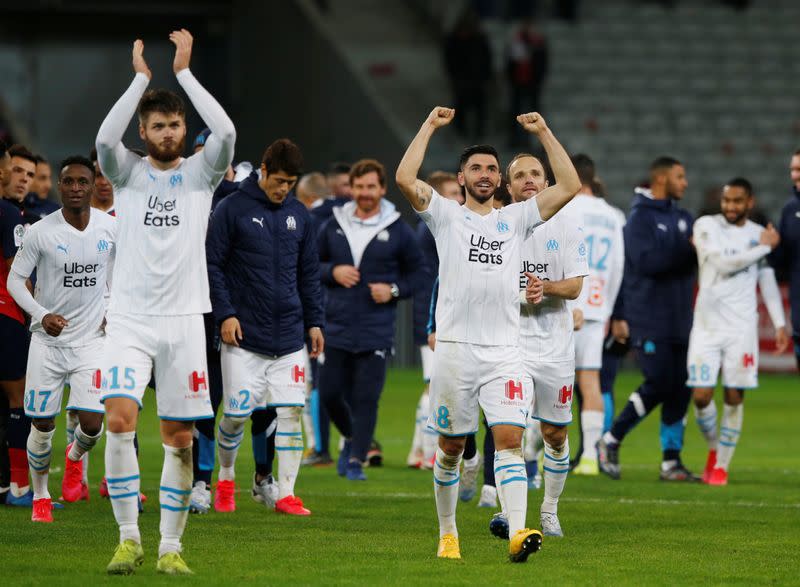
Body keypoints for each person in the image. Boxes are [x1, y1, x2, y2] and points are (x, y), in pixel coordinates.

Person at [396, 106, 580, 562]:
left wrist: (544, 130)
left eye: (491, 169)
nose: (484, 174)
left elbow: (570, 186)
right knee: (451, 446)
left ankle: (519, 532)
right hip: (457, 351)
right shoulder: (444, 216)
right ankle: (447, 532)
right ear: (460, 177)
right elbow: (403, 177)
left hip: (505, 352)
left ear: (500, 180)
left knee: (510, 442)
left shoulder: (515, 219)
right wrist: (429, 126)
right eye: (475, 168)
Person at [95, 30, 235, 575]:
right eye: (158, 125)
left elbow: (223, 129)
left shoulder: (202, 175)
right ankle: (128, 538)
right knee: (120, 419)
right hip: (128, 319)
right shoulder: (125, 174)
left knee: (178, 440)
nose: (168, 132)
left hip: (183, 322)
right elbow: (106, 140)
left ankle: (170, 548)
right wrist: (140, 81)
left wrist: (184, 75)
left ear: (183, 131)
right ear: (145, 132)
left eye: (175, 124)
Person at [207, 138, 324, 516]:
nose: (283, 189)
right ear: (263, 170)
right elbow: (212, 265)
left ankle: (285, 492)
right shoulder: (231, 209)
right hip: (244, 335)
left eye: (290, 183)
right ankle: (225, 474)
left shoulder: (300, 215)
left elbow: (308, 274)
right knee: (237, 413)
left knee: (289, 412)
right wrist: (225, 313)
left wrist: (315, 322)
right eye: (278, 181)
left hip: (289, 334)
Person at [7, 155, 116, 521]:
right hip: (48, 345)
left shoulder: (109, 229)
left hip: (90, 344)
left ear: (90, 186)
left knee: (92, 425)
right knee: (42, 424)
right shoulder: (41, 231)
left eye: (82, 182)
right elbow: (13, 280)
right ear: (60, 186)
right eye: (68, 182)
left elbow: (119, 277)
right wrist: (41, 314)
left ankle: (73, 457)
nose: (75, 188)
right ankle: (40, 496)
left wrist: (111, 311)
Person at [318, 158, 422, 481]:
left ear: (382, 189)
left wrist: (392, 290)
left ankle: (355, 460)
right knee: (329, 394)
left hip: (376, 328)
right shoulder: (332, 224)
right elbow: (309, 265)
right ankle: (351, 437)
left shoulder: (398, 229)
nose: (365, 193)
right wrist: (332, 271)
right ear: (351, 188)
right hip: (335, 325)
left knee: (366, 397)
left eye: (371, 187)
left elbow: (419, 274)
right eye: (359, 187)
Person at [597, 157, 698, 482]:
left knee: (681, 387)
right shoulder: (639, 219)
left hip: (682, 316)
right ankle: (611, 439)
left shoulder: (683, 217)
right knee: (658, 381)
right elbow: (647, 262)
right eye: (680, 176)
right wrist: (688, 251)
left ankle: (671, 460)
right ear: (661, 178)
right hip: (649, 315)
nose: (685, 183)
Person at [689, 178, 787, 485]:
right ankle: (714, 449)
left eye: (737, 201)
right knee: (702, 396)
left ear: (750, 203)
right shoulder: (706, 226)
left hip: (742, 329)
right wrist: (764, 248)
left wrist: (780, 322)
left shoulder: (759, 235)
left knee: (733, 395)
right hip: (706, 326)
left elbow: (767, 280)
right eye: (726, 201)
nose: (730, 207)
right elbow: (722, 263)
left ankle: (722, 466)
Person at [564, 154, 624, 475]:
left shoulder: (562, 208)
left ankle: (540, 456)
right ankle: (589, 456)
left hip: (564, 302)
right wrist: (609, 309)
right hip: (598, 305)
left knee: (545, 382)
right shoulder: (612, 215)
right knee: (591, 382)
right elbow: (618, 266)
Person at [408, 171, 463, 470]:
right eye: (453, 193)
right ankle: (429, 452)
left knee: (437, 382)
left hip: (439, 311)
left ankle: (417, 450)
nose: (460, 198)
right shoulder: (435, 227)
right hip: (435, 314)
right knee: (436, 384)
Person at [0, 143, 36, 506]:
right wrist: (37, 312)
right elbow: (17, 272)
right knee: (20, 399)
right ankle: (20, 489)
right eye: (12, 168)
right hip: (6, 314)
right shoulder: (8, 213)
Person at [771, 150, 800, 370]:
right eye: (793, 169)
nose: (794, 175)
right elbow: (781, 264)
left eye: (799, 170)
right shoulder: (790, 210)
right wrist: (773, 246)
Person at [506, 18, 549, 147]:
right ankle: (515, 139)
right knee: (516, 112)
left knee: (533, 112)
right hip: (517, 83)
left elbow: (542, 63)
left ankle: (535, 140)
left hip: (533, 84)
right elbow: (509, 63)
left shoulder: (539, 43)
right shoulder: (515, 42)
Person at [24, 155, 59, 221]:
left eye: (49, 178)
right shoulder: (11, 208)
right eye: (42, 178)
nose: (49, 185)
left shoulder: (56, 211)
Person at [89, 148, 115, 215]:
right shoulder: (76, 214)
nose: (104, 182)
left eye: (110, 176)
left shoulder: (127, 213)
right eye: (98, 175)